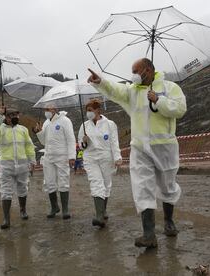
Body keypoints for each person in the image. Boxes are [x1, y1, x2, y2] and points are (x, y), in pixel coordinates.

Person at [88, 58, 187, 248]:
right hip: (140, 148)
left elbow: (180, 109)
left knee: (168, 187)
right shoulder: (133, 91)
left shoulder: (170, 87)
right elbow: (115, 90)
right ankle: (149, 234)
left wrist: (159, 100)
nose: (132, 73)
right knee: (143, 187)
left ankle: (168, 221)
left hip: (165, 147)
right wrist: (99, 81)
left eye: (136, 70)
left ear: (148, 70)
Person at [0, 106, 36, 229]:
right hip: (6, 166)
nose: (15, 117)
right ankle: (6, 218)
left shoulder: (23, 129)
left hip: (22, 165)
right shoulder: (0, 130)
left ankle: (23, 210)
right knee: (6, 191)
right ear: (6, 117)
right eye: (12, 115)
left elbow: (29, 146)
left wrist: (32, 161)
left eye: (16, 115)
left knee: (23, 188)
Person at [78, 99, 122, 228]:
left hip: (106, 157)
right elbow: (81, 146)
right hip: (90, 158)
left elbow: (114, 142)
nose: (88, 113)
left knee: (106, 184)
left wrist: (117, 157)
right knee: (96, 183)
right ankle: (99, 216)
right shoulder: (84, 125)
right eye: (87, 111)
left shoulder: (110, 124)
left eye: (90, 110)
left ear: (98, 110)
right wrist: (84, 142)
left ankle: (103, 211)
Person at [34, 105, 76, 219]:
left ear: (55, 109)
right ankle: (54, 207)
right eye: (45, 109)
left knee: (63, 182)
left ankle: (65, 209)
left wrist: (72, 156)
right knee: (49, 182)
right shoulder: (46, 123)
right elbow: (44, 142)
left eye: (48, 109)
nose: (46, 111)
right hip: (48, 156)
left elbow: (71, 139)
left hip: (62, 156)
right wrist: (38, 132)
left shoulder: (65, 121)